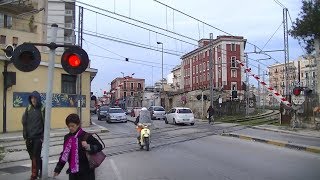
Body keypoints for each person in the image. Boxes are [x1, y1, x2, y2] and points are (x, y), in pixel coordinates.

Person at [53, 114, 103, 180]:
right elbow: (64, 154)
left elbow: (99, 146)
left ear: (78, 124)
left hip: (87, 172)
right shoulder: (67, 137)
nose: (70, 128)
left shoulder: (86, 136)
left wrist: (89, 146)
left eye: (72, 126)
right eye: (69, 126)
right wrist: (58, 169)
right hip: (73, 173)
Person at [22, 91, 45, 180]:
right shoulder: (28, 108)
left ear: (38, 99)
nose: (33, 100)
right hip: (29, 137)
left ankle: (34, 174)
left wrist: (43, 137)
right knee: (33, 156)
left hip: (38, 137)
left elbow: (46, 124)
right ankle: (40, 169)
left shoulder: (42, 109)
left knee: (35, 155)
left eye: (35, 98)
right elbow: (24, 122)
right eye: (32, 98)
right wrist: (25, 135)